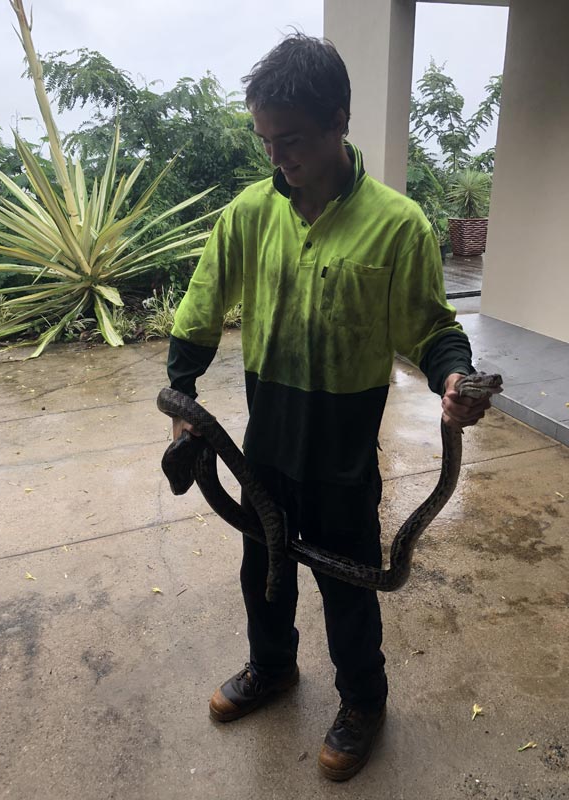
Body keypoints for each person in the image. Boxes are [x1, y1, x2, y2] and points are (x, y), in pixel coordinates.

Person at [166, 33, 494, 782]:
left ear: (339, 120)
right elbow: (200, 307)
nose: (278, 157)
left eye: (293, 140)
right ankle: (272, 667)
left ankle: (363, 704)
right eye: (266, 141)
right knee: (263, 569)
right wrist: (182, 393)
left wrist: (454, 378)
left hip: (344, 457)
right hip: (265, 449)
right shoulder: (249, 215)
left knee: (349, 587)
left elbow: (431, 328)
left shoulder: (398, 224)